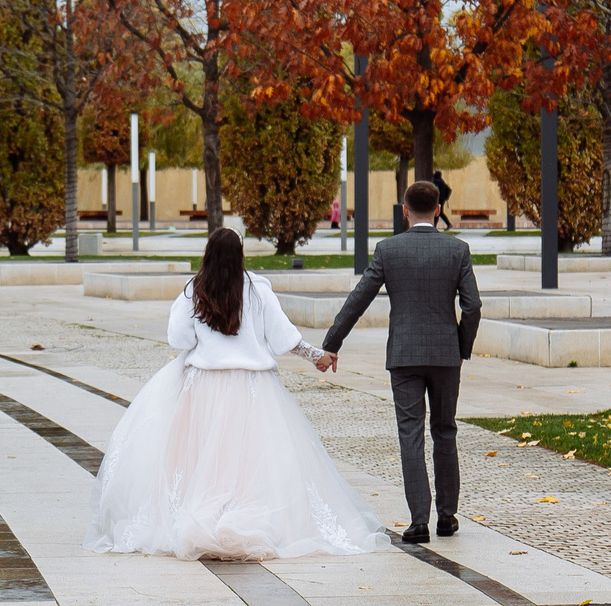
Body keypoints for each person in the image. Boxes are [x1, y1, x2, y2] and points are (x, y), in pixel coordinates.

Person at [85, 227, 386, 561]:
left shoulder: (194, 290)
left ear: (208, 254)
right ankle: (247, 515)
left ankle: (200, 517)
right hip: (253, 389)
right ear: (240, 254)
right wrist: (318, 356)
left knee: (203, 459)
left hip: (204, 386)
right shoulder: (257, 290)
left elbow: (179, 339)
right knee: (251, 460)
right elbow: (284, 336)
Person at [320, 179, 483, 544]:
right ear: (438, 210)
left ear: (405, 210)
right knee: (445, 430)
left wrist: (332, 344)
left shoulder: (389, 250)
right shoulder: (457, 250)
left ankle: (418, 521)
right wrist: (461, 346)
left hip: (404, 356)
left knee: (410, 433)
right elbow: (472, 305)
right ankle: (447, 516)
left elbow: (359, 298)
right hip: (445, 355)